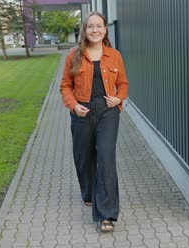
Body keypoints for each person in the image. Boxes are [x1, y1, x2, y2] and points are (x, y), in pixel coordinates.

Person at [60, 12, 128, 232]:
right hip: (82, 111)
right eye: (91, 26)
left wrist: (119, 98)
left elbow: (123, 83)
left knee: (105, 159)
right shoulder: (74, 55)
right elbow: (65, 86)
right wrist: (73, 105)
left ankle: (105, 214)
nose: (95, 30)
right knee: (84, 156)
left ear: (105, 29)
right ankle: (88, 192)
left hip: (108, 112)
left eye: (99, 26)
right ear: (85, 30)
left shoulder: (114, 55)